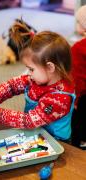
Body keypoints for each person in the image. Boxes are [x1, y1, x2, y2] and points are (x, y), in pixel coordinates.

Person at [0, 23, 75, 141]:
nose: (29, 73)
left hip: (56, 142)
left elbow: (29, 121)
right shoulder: (34, 79)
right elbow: (11, 86)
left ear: (50, 68)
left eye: (31, 69)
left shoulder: (60, 98)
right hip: (35, 134)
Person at [71, 5, 86, 149]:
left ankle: (79, 144)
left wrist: (76, 99)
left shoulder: (78, 48)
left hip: (84, 96)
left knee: (78, 121)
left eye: (78, 22)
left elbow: (77, 77)